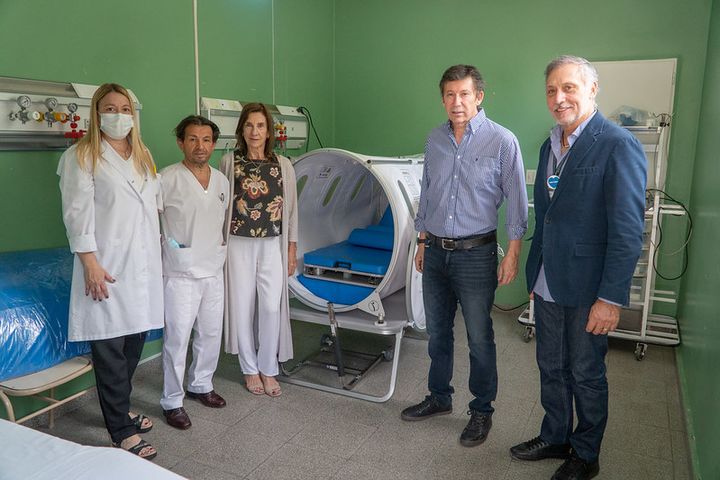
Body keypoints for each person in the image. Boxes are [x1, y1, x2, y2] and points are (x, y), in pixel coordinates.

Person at [510, 56, 646, 480]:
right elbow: (547, 216)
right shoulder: (549, 144)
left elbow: (627, 230)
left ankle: (586, 454)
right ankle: (555, 436)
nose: (559, 97)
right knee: (550, 365)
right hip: (550, 280)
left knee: (585, 373)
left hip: (589, 288)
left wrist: (609, 298)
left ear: (592, 89)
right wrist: (536, 274)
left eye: (568, 87)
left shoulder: (617, 143)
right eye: (551, 90)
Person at [402, 65, 528, 447]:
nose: (457, 103)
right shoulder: (434, 141)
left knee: (479, 336)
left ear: (479, 97)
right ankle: (439, 397)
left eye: (465, 94)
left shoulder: (502, 141)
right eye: (450, 95)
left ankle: (481, 410)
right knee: (437, 331)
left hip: (476, 255)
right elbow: (428, 194)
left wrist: (512, 254)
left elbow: (519, 203)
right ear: (443, 99)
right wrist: (422, 242)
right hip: (436, 251)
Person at [57, 83, 163, 460]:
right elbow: (76, 214)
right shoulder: (81, 156)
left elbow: (153, 206)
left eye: (125, 108)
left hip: (143, 267)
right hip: (105, 267)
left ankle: (119, 408)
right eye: (110, 108)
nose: (118, 115)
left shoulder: (143, 155)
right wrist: (90, 264)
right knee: (110, 350)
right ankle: (120, 429)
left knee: (135, 342)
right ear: (97, 113)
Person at [219, 102, 297, 397]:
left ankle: (268, 367)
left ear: (269, 132)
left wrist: (291, 248)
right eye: (249, 125)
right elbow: (221, 206)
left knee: (270, 306)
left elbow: (292, 213)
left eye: (260, 126)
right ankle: (250, 369)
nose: (255, 131)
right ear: (241, 129)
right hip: (238, 243)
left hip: (272, 243)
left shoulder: (283, 165)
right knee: (242, 305)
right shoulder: (229, 162)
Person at [159, 115, 230, 429]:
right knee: (177, 339)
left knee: (211, 333)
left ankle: (201, 383)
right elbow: (149, 222)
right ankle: (172, 400)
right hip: (181, 273)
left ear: (213, 144)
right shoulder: (165, 179)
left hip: (213, 269)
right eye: (192, 139)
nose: (200, 146)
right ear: (180, 142)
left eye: (206, 140)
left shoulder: (222, 181)